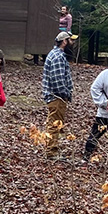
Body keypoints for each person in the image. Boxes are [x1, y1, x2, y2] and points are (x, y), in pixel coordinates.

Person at [42, 31, 76, 159]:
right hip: (57, 97)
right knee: (54, 124)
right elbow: (57, 81)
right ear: (64, 42)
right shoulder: (58, 57)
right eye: (71, 41)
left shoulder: (57, 54)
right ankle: (51, 152)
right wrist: (66, 94)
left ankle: (51, 150)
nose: (73, 44)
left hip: (57, 97)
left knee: (54, 123)